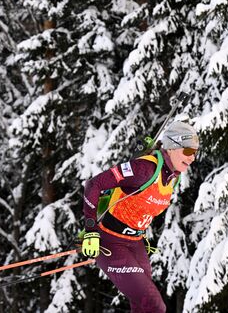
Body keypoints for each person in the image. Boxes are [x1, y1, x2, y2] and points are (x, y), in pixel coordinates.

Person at [81, 121, 200, 313]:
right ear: (171, 147)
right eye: (188, 151)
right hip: (110, 242)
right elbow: (93, 185)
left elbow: (140, 206)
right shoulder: (143, 169)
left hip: (135, 244)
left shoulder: (172, 177)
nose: (193, 158)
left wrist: (138, 230)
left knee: (141, 307)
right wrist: (90, 231)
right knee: (155, 306)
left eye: (195, 152)